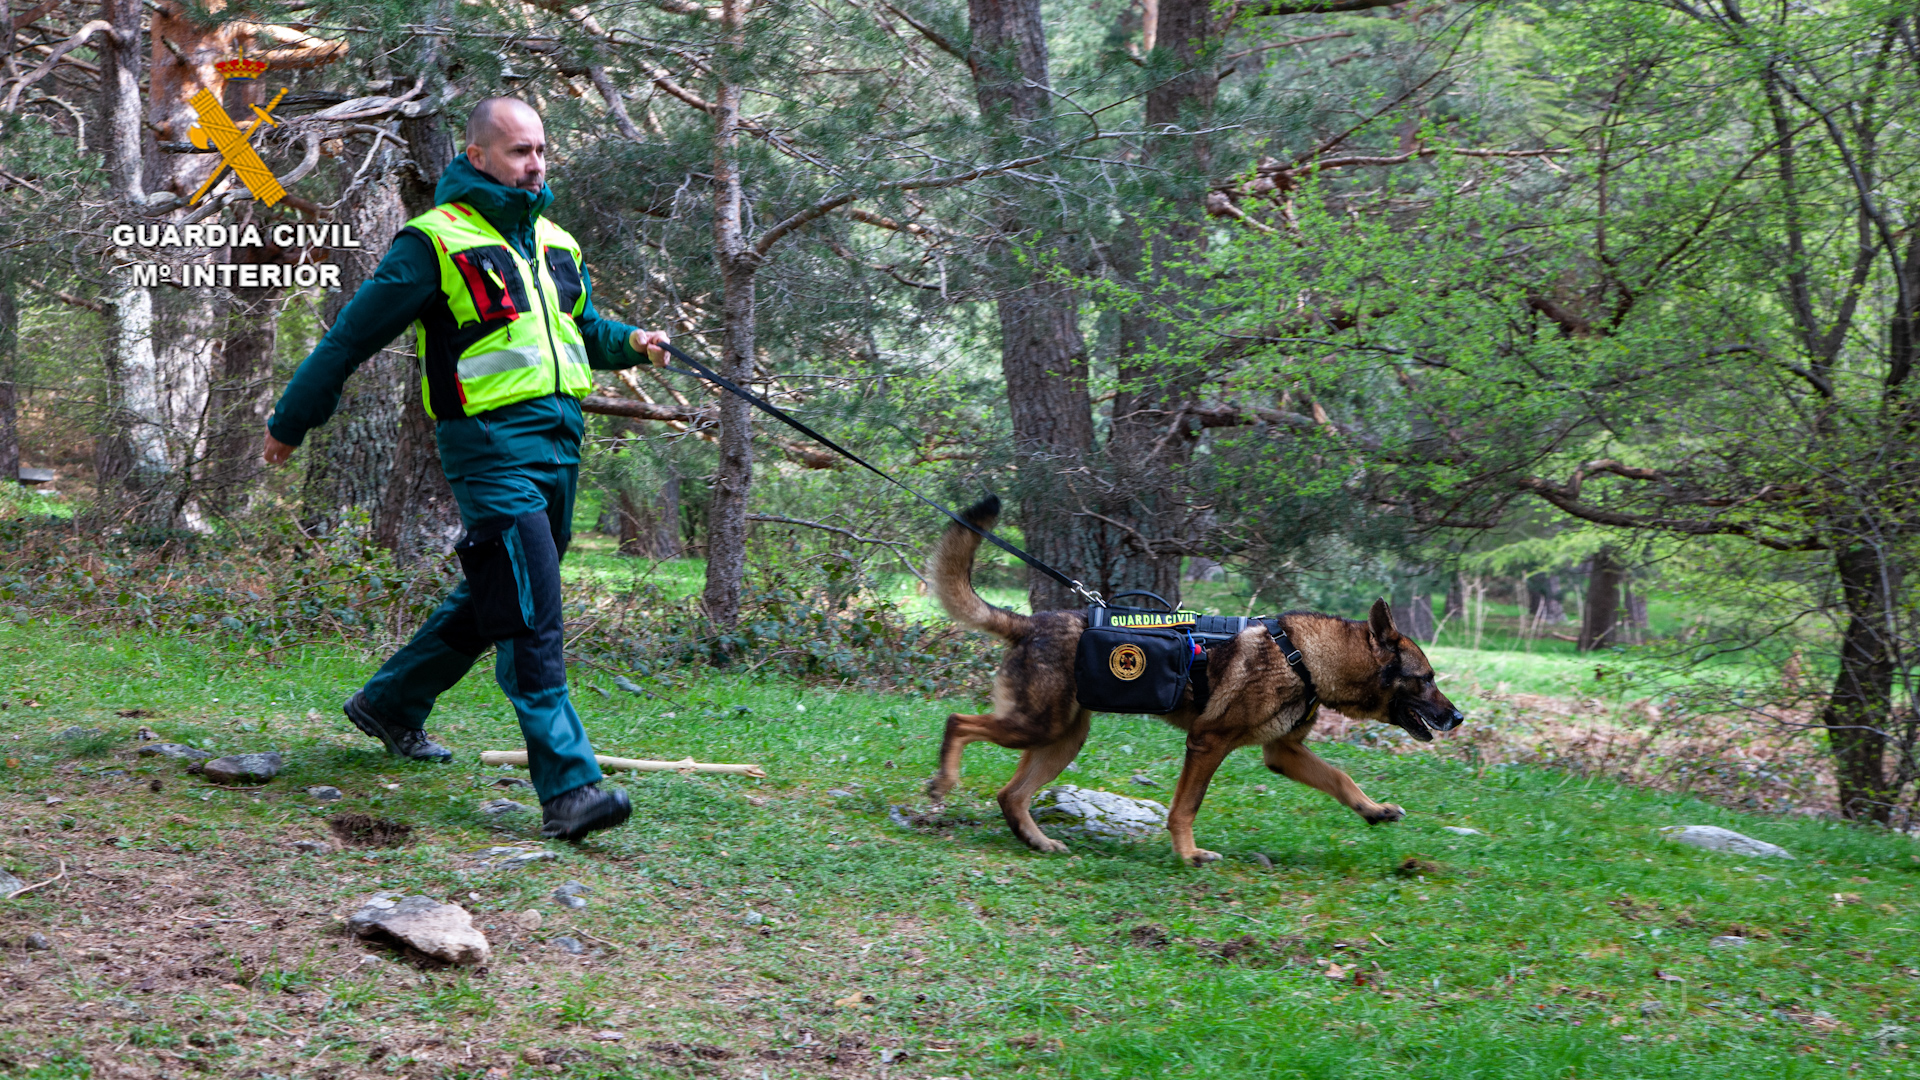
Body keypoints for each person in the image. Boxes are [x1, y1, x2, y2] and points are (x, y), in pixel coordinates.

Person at [262, 97, 671, 842]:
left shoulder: (555, 241)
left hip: (560, 442)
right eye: (519, 151)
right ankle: (570, 787)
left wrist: (632, 339)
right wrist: (292, 422)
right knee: (528, 611)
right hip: (488, 446)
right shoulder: (433, 242)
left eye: (542, 149)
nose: (536, 163)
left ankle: (389, 704)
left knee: (503, 590)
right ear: (477, 156)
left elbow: (576, 328)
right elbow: (347, 339)